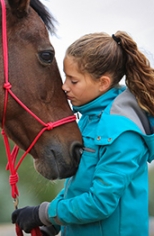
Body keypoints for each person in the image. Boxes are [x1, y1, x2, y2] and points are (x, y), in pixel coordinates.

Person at [12, 31, 154, 236]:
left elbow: (99, 203)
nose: (64, 87)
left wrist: (43, 213)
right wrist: (52, 225)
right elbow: (80, 187)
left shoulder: (123, 134)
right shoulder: (88, 121)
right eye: (65, 77)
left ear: (103, 83)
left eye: (73, 81)